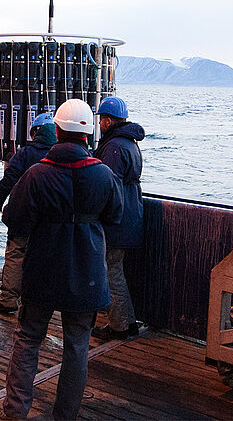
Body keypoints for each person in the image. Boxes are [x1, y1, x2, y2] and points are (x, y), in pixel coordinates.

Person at [0, 98, 123, 420]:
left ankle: (14, 413)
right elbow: (116, 216)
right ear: (89, 134)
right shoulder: (104, 175)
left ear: (57, 130)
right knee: (78, 346)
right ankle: (65, 416)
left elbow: (15, 220)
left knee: (28, 340)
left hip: (42, 271)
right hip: (87, 274)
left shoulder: (37, 175)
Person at [0, 112, 57, 313]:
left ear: (36, 132)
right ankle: (38, 302)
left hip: (22, 215)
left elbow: (10, 177)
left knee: (16, 254)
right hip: (50, 219)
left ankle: (9, 300)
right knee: (44, 257)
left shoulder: (25, 154)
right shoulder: (60, 153)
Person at [91, 96, 146, 340]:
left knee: (112, 272)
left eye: (102, 119)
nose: (100, 124)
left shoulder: (113, 147)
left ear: (108, 121)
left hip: (117, 221)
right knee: (117, 270)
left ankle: (120, 326)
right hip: (131, 215)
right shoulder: (130, 144)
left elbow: (107, 185)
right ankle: (128, 322)